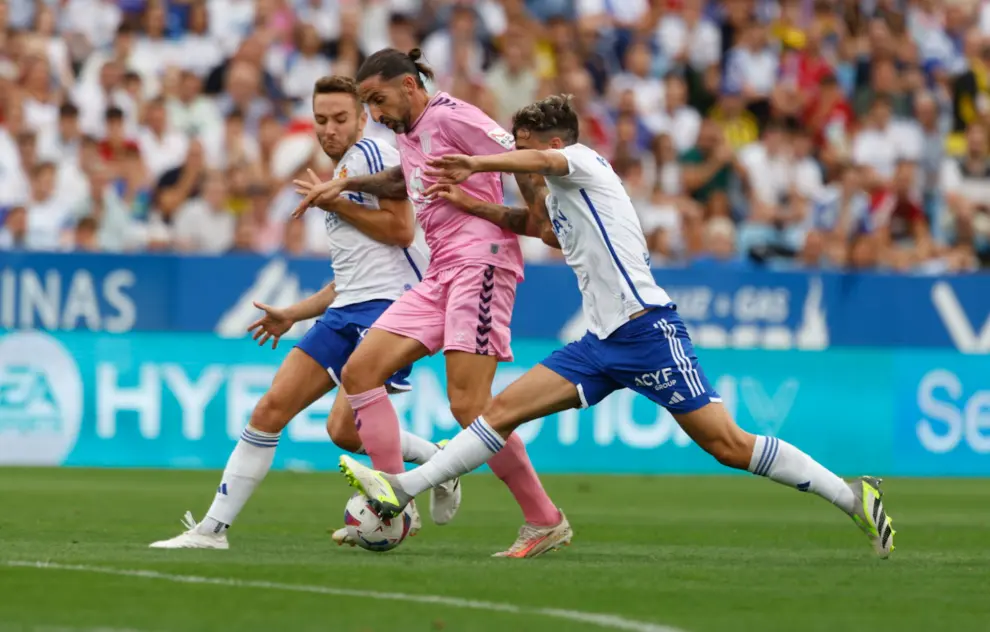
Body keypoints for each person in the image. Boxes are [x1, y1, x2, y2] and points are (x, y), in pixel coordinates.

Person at [338, 95, 896, 560]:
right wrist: (472, 203)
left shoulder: (581, 160)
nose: (515, 152)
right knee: (498, 412)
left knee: (727, 444)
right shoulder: (562, 193)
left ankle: (852, 496)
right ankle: (408, 489)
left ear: (552, 143)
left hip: (649, 331)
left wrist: (478, 165)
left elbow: (543, 165)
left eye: (523, 143)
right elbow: (546, 232)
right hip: (598, 344)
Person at [149, 75, 457, 550]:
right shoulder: (340, 173)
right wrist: (295, 312)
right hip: (347, 308)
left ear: (361, 117)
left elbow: (400, 230)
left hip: (391, 310)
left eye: (339, 118)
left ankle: (403, 501)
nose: (329, 129)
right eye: (320, 120)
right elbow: (350, 275)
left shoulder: (373, 157)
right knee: (278, 410)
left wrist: (336, 199)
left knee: (343, 427)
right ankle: (212, 531)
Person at [294, 49, 570, 558]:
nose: (374, 114)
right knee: (359, 373)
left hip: (481, 265)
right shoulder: (410, 130)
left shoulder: (452, 115)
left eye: (377, 100)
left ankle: (544, 518)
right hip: (441, 273)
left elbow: (520, 155)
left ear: (408, 85)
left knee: (469, 405)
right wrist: (348, 184)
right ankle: (395, 500)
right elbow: (405, 180)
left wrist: (538, 216)